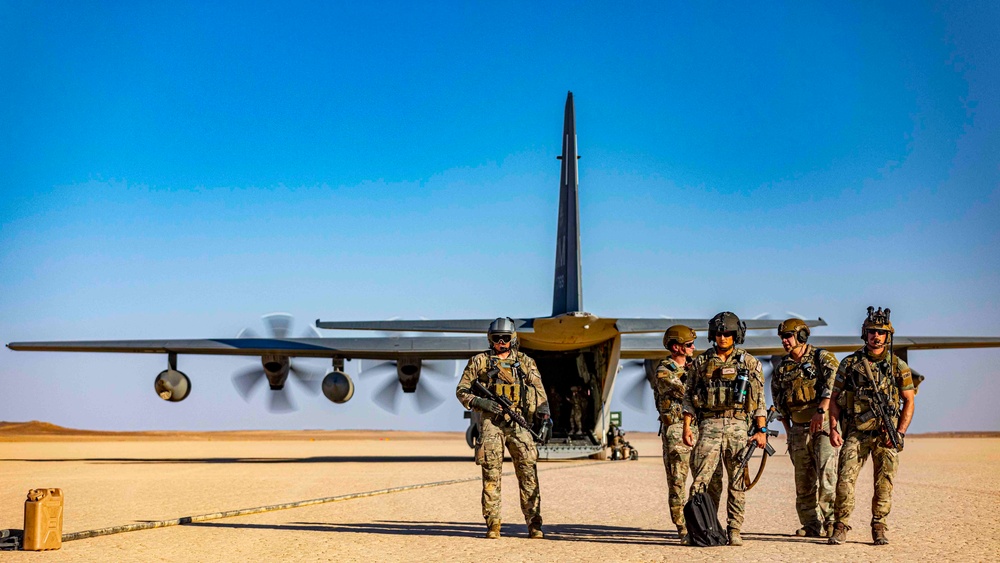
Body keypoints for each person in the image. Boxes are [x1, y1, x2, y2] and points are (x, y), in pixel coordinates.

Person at [828, 307, 915, 546]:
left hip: (885, 434)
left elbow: (909, 400)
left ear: (888, 336)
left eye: (880, 332)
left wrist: (900, 433)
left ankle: (879, 526)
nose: (876, 336)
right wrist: (833, 428)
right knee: (844, 480)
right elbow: (834, 398)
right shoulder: (850, 363)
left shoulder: (897, 365)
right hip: (856, 431)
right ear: (864, 334)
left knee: (884, 482)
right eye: (871, 331)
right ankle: (840, 526)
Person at [456, 317, 550, 539]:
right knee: (491, 475)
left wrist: (544, 416)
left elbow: (540, 393)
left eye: (505, 338)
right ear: (491, 339)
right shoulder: (479, 362)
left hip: (519, 423)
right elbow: (462, 391)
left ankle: (534, 525)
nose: (501, 342)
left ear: (513, 339)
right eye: (497, 338)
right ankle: (493, 525)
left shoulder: (526, 362)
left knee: (528, 475)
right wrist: (481, 403)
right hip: (491, 424)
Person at [682, 312, 766, 547]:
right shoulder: (701, 362)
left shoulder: (749, 363)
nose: (723, 337)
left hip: (738, 426)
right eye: (719, 333)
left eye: (728, 333)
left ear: (736, 335)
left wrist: (761, 430)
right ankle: (701, 529)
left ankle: (734, 530)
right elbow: (688, 397)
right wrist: (687, 427)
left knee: (737, 481)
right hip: (708, 426)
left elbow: (759, 401)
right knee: (703, 482)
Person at [770, 318, 841, 538]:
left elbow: (835, 384)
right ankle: (811, 524)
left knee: (827, 478)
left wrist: (822, 411)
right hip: (798, 429)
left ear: (801, 336)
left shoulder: (822, 358)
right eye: (782, 337)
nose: (785, 341)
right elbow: (779, 401)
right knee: (804, 481)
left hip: (823, 426)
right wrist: (788, 431)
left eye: (789, 336)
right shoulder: (782, 368)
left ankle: (831, 523)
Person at [654, 324, 723, 545]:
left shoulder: (695, 367)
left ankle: (705, 523)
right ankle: (683, 528)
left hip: (700, 428)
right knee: (678, 481)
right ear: (676, 347)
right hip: (676, 429)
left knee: (709, 479)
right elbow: (690, 393)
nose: (694, 348)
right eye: (689, 345)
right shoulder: (665, 371)